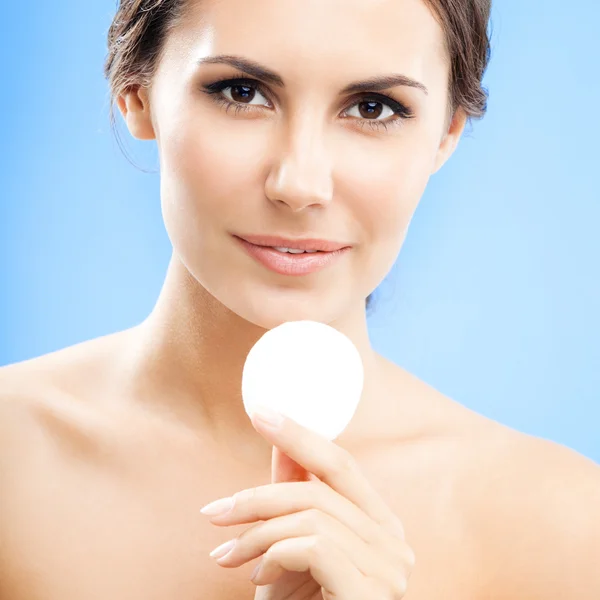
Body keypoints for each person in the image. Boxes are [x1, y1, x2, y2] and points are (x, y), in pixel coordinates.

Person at [1, 0, 599, 598]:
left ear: (447, 133)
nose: (299, 184)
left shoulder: (564, 528)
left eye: (373, 108)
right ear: (135, 91)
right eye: (241, 92)